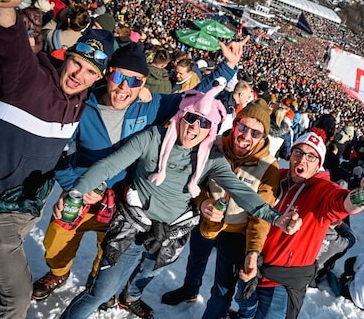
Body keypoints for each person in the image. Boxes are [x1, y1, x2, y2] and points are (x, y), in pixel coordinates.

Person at [33, 38, 250, 303]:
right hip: (83, 192)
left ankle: (97, 282)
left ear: (143, 84)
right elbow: (55, 151)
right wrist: (72, 184)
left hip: (122, 200)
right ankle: (58, 272)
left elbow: (194, 97)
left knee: (110, 250)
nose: (125, 87)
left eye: (135, 81)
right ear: (109, 73)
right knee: (56, 243)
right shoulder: (82, 104)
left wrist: (227, 66)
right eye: (120, 77)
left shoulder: (150, 107)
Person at [59, 84, 302, 319]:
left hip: (168, 237)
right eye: (191, 118)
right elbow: (109, 165)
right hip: (132, 229)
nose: (195, 127)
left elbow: (242, 192)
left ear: (212, 129)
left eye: (204, 123)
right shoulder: (153, 138)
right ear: (181, 116)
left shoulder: (212, 159)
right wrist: (77, 192)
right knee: (101, 292)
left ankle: (130, 297)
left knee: (145, 274)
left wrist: (276, 217)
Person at [0, 0, 114, 318]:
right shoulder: (29, 79)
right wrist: (3, 11)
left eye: (90, 72)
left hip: (25, 200)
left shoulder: (82, 100)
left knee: (19, 233)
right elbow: (11, 48)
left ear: (97, 79)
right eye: (77, 63)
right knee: (18, 296)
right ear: (66, 56)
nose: (78, 75)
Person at [239, 128, 364, 319]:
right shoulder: (277, 177)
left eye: (311, 156)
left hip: (281, 283)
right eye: (298, 152)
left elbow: (342, 201)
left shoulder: (322, 190)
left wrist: (361, 199)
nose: (302, 160)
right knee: (244, 308)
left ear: (319, 164)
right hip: (252, 264)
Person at [161, 98, 280, 319]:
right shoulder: (214, 145)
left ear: (263, 137)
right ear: (234, 124)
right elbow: (195, 181)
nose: (246, 136)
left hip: (236, 233)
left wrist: (253, 251)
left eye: (255, 133)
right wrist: (203, 201)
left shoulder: (269, 167)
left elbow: (260, 215)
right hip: (206, 220)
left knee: (222, 289)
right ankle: (190, 288)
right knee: (196, 259)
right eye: (243, 127)